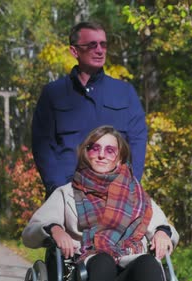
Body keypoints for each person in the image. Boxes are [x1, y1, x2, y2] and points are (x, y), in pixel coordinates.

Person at [22, 126, 178, 281]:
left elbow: (165, 227)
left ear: (120, 158)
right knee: (102, 260)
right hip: (86, 275)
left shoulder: (137, 194)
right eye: (94, 148)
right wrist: (56, 230)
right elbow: (31, 233)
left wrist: (161, 233)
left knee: (149, 264)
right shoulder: (67, 193)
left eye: (110, 150)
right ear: (86, 153)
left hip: (129, 273)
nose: (102, 155)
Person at [32, 21, 147, 197]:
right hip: (66, 196)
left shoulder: (125, 93)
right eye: (92, 45)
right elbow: (43, 146)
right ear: (74, 51)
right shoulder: (53, 93)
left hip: (115, 198)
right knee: (38, 225)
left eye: (103, 44)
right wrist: (58, 190)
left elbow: (138, 143)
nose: (100, 50)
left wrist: (129, 188)